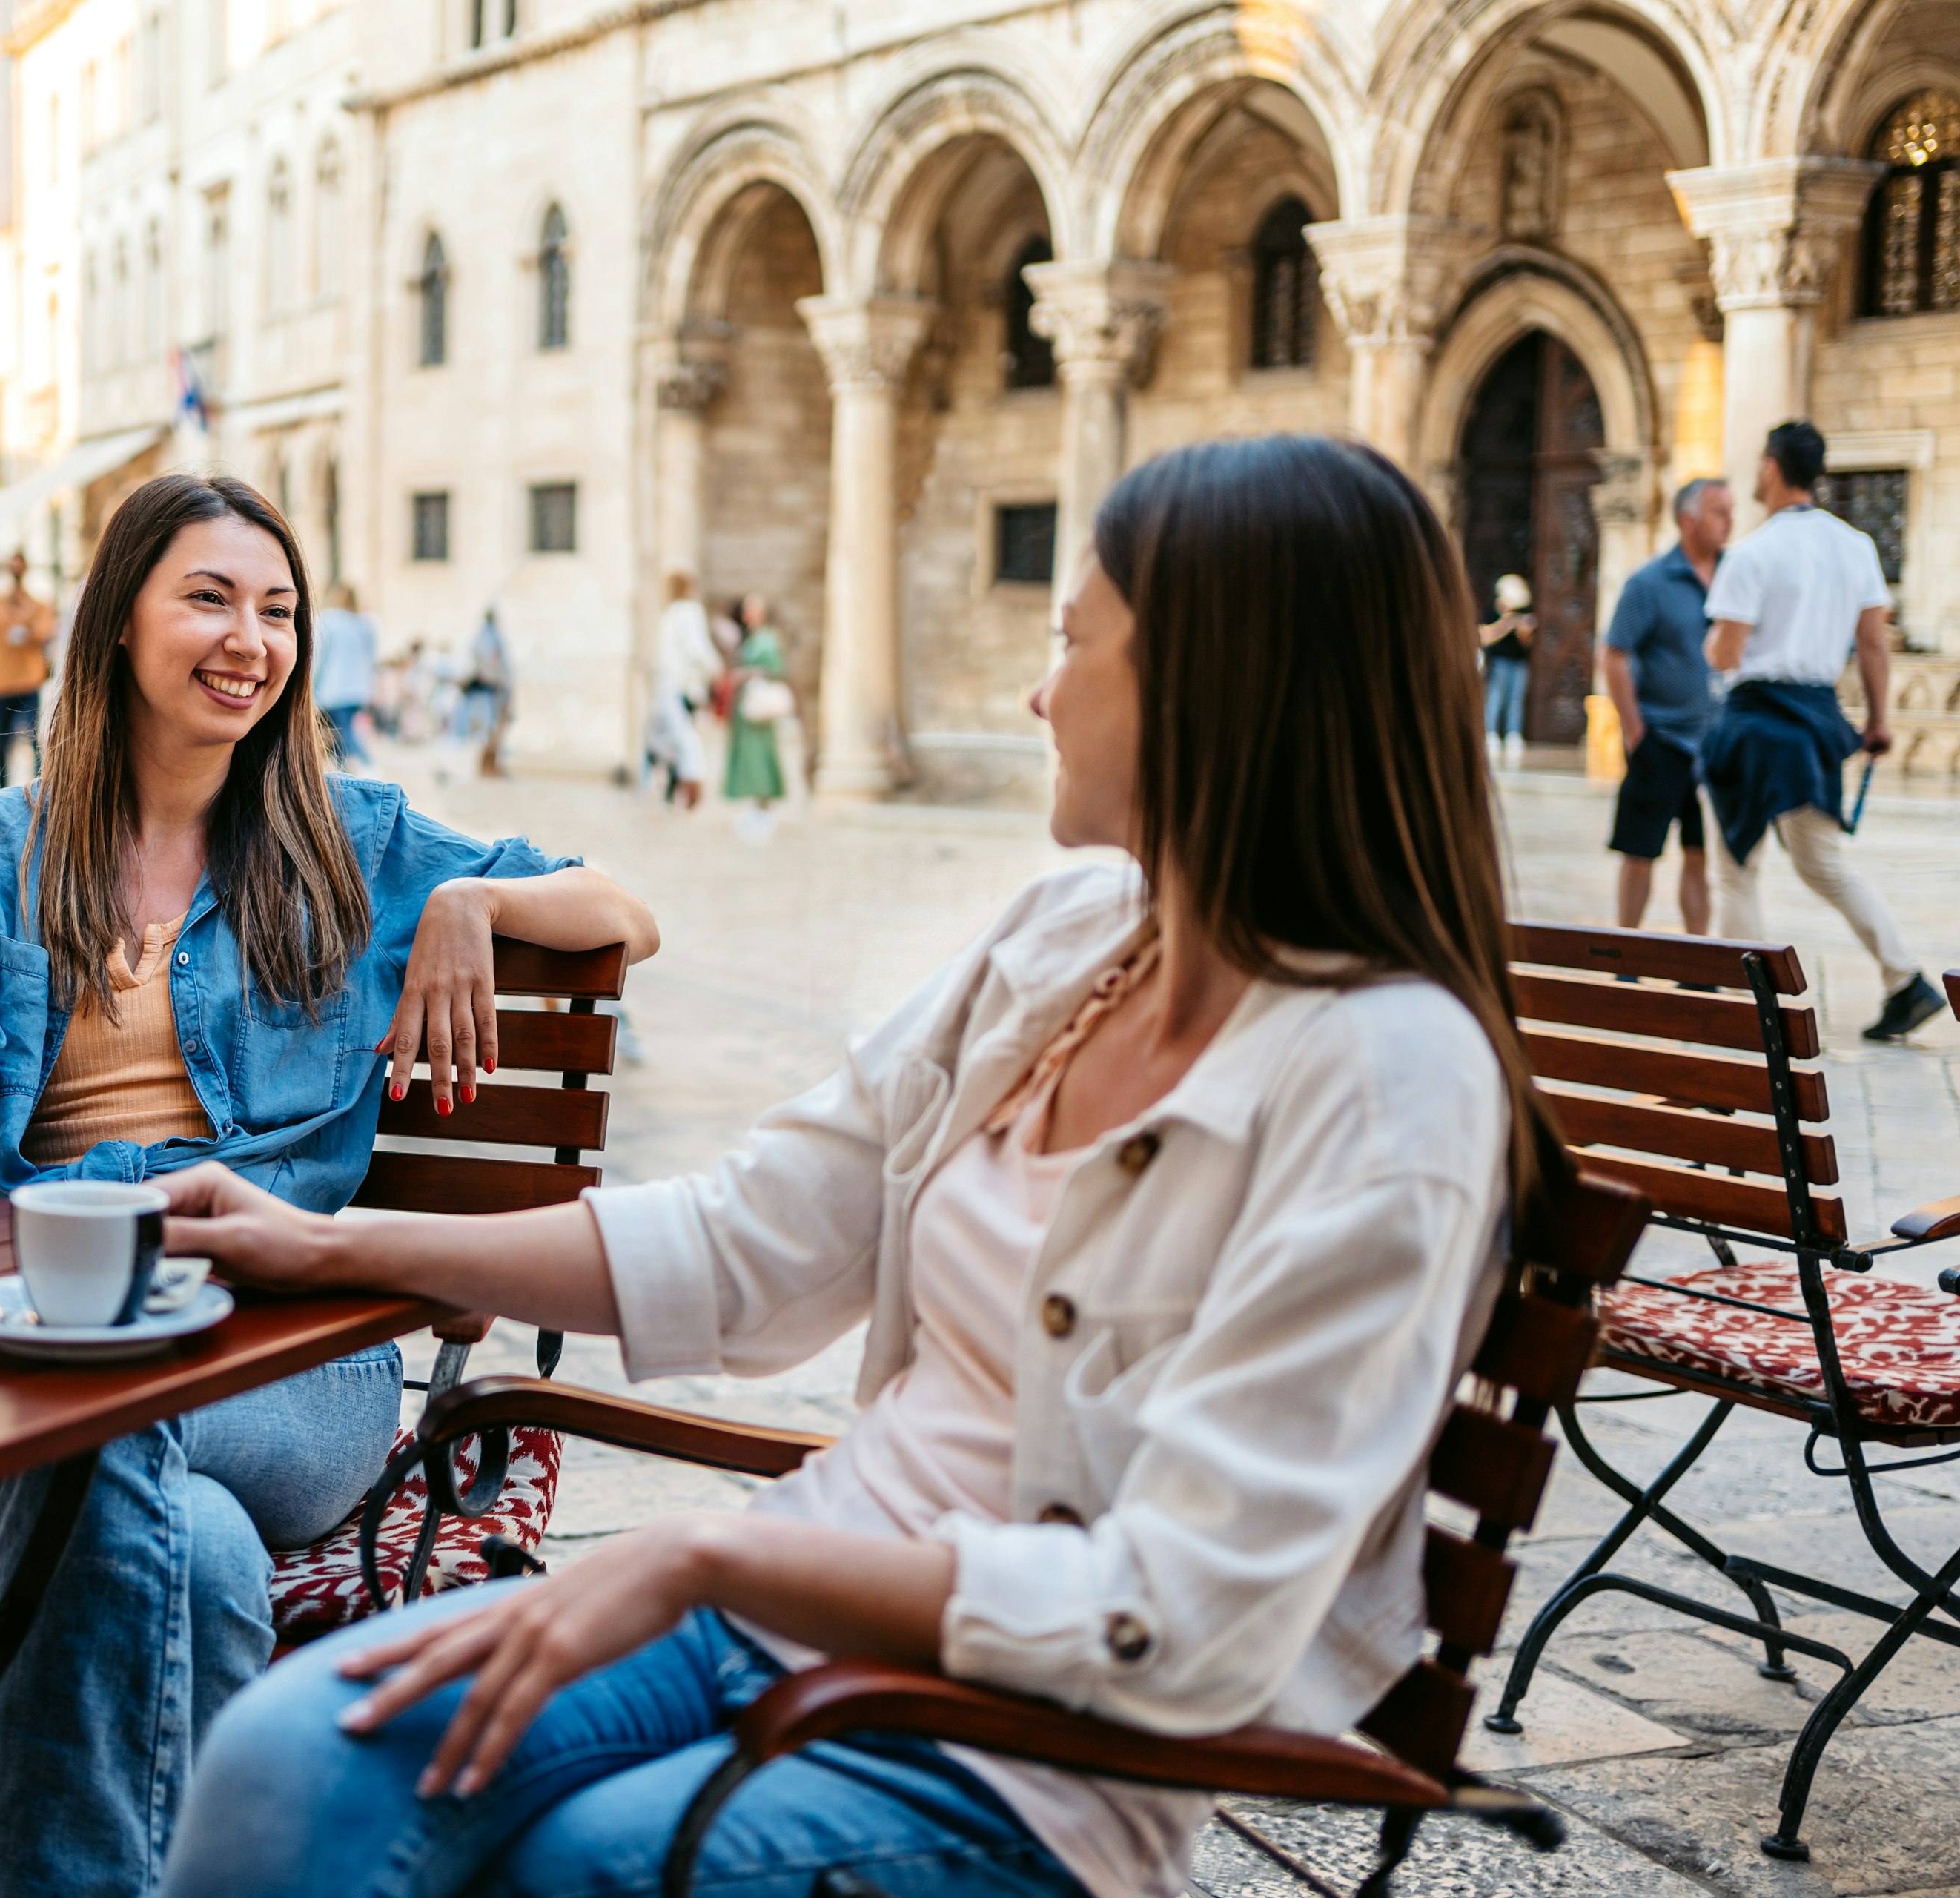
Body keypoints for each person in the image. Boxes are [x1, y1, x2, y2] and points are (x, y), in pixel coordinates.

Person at [150, 434, 1549, 1898]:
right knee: (287, 1758)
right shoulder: (1070, 937)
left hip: (1032, 1760)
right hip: (790, 1606)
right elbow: (750, 1239)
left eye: (1074, 641)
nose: (1038, 689)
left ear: (1219, 686)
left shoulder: (1388, 1077)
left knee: (582, 1867)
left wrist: (708, 1559)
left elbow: (1182, 1614)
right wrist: (329, 1248)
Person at [0, 473, 659, 1898]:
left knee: (89, 1442)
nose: (252, 639)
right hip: (50, 1332)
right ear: (119, 624)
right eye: (211, 598)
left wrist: (477, 901)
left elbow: (620, 908)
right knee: (190, 1548)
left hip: (290, 1347)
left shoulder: (352, 838)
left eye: (278, 609)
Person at [1703, 419, 1946, 1042]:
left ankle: (1747, 1010)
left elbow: (1726, 656)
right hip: (1816, 721)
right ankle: (1904, 979)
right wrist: (1881, 720)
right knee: (1824, 865)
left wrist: (1709, 644)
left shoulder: (1752, 552)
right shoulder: (1856, 546)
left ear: (1770, 468)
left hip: (1756, 722)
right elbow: (1873, 642)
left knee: (1736, 870)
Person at [1601, 478, 1729, 933]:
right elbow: (1616, 653)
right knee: (1640, 854)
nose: (1728, 522)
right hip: (1661, 740)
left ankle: (1698, 967)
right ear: (1687, 519)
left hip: (1715, 748)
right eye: (1718, 512)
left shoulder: (1736, 577)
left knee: (1702, 859)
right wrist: (1635, 729)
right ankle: (1626, 958)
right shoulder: (1649, 582)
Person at [0, 550, 57, 788]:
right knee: (1, 742)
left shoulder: (37, 606)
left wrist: (24, 622)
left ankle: (37, 788)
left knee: (34, 741)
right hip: (1, 681)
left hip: (28, 681)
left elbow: (45, 633)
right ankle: (1, 789)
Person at [644, 571, 715, 811]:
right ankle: (690, 787)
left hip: (667, 683)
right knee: (684, 735)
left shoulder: (667, 615)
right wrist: (715, 667)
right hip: (684, 684)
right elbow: (697, 649)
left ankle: (670, 789)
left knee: (669, 736)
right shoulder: (689, 612)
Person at [721, 592, 786, 831]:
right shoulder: (751, 637)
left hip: (757, 706)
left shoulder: (768, 638)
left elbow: (776, 668)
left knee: (760, 755)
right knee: (749, 756)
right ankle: (755, 805)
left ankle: (763, 804)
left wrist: (744, 674)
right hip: (745, 706)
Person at [313, 582, 378, 770]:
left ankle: (364, 767)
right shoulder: (366, 624)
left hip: (333, 689)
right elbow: (371, 659)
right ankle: (350, 768)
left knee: (342, 733)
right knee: (346, 731)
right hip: (359, 689)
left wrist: (309, 686)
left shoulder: (328, 620)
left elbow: (317, 658)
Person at [1477, 573, 1534, 765]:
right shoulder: (1493, 613)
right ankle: (1491, 734)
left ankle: (1513, 735)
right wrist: (1505, 623)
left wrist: (1522, 631)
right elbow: (1484, 636)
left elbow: (1527, 643)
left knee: (1515, 701)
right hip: (1499, 662)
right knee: (1496, 699)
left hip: (1518, 663)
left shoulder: (1523, 611)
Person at [463, 608, 511, 778]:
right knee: (486, 732)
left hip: (494, 692)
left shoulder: (490, 638)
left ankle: (490, 767)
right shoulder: (486, 640)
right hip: (487, 692)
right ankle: (485, 768)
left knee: (494, 732)